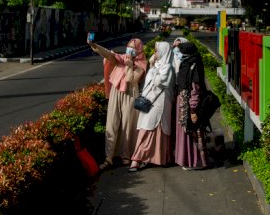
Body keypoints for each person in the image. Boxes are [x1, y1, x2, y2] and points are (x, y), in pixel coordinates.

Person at [88, 37, 147, 170]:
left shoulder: (141, 63)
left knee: (128, 125)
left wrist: (130, 64)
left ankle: (126, 155)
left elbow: (131, 79)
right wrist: (94, 45)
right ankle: (109, 157)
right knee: (112, 122)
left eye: (133, 48)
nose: (129, 50)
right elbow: (109, 54)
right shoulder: (120, 58)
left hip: (130, 94)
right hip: (116, 91)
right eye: (129, 46)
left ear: (138, 50)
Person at [129, 41, 175, 171]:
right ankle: (137, 159)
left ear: (163, 51)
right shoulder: (157, 65)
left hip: (160, 104)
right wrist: (152, 65)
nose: (155, 53)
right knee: (146, 129)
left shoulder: (167, 67)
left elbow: (159, 82)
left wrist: (153, 68)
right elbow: (148, 83)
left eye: (157, 50)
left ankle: (153, 159)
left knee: (154, 129)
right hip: (149, 102)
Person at [174, 41, 210, 170]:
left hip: (189, 105)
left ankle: (195, 162)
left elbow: (195, 89)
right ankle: (188, 160)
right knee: (187, 131)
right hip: (184, 103)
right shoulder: (188, 63)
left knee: (191, 132)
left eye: (181, 52)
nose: (178, 54)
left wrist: (193, 109)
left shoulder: (193, 65)